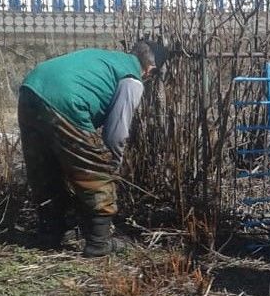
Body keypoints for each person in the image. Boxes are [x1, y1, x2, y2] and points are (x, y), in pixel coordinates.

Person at [18, 41, 164, 257]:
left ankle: (51, 233)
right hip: (66, 100)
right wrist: (110, 167)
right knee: (94, 172)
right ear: (150, 69)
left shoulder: (107, 57)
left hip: (31, 89)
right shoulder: (132, 79)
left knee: (44, 168)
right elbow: (116, 135)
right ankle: (99, 243)